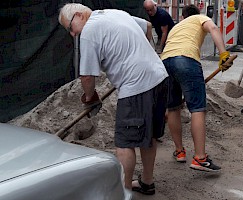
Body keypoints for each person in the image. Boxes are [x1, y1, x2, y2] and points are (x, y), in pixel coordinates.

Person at [58, 3, 169, 195]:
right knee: (148, 135)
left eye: (70, 28)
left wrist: (90, 97)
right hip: (159, 77)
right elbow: (148, 27)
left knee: (125, 144)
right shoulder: (115, 13)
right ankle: (147, 182)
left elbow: (87, 76)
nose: (73, 34)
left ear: (78, 15)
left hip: (136, 87)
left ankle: (122, 193)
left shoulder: (89, 31)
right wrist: (138, 54)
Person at [161, 5, 231, 172]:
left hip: (165, 62)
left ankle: (179, 152)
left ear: (183, 16)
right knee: (197, 109)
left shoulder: (177, 26)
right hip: (186, 59)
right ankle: (200, 158)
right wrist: (223, 54)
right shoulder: (200, 18)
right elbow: (213, 28)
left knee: (172, 108)